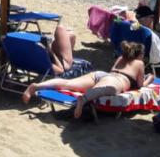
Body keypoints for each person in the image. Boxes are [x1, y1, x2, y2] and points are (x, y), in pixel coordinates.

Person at [21, 42, 152, 120]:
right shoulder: (139, 63)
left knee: (69, 84)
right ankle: (82, 100)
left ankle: (36, 86)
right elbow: (140, 85)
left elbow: (112, 70)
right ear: (139, 54)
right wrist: (150, 79)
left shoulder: (121, 58)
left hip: (103, 75)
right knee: (105, 89)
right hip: (117, 80)